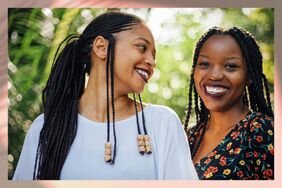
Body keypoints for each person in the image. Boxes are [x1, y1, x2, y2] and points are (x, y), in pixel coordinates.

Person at [13, 11, 198, 180]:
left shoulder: (162, 123)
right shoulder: (45, 128)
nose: (152, 62)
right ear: (102, 47)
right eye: (142, 47)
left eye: (153, 55)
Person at [184, 26, 274, 180]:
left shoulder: (262, 131)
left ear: (249, 76)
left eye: (230, 66)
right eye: (205, 64)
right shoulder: (188, 137)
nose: (215, 75)